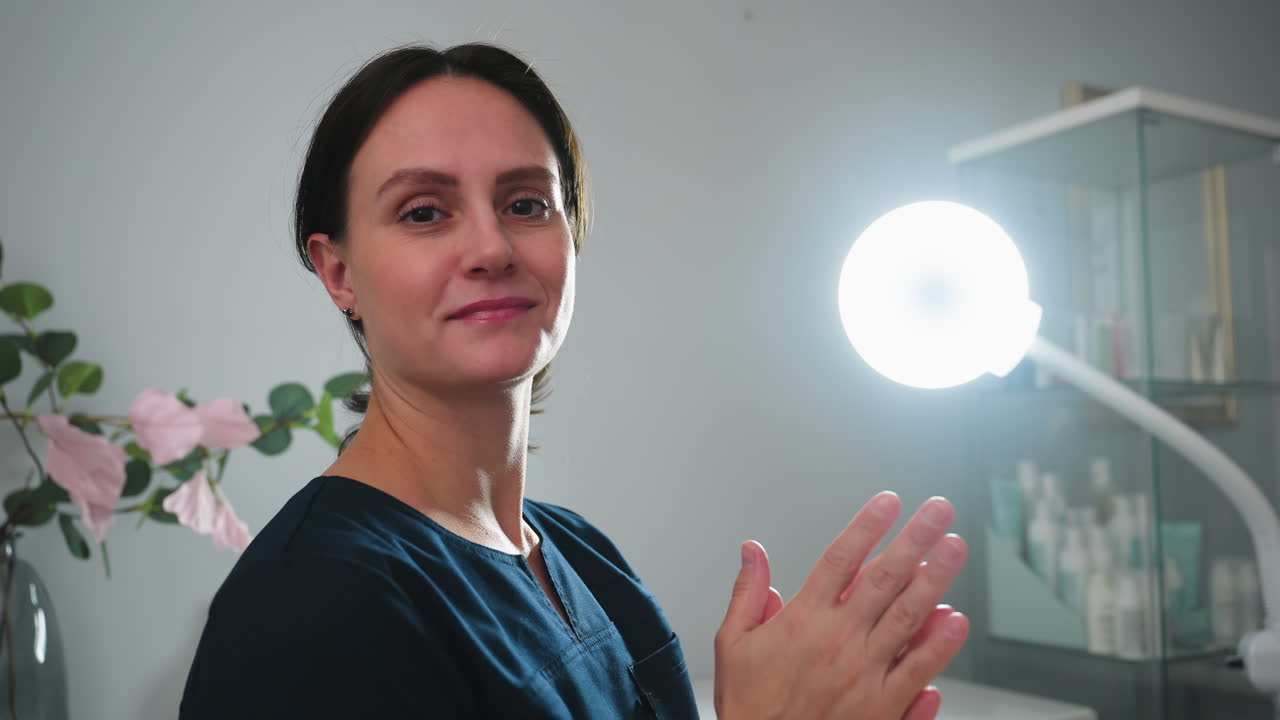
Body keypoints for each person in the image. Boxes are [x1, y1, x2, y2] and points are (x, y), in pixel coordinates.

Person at [178, 42, 970, 719]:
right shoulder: (310, 602)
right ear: (339, 271)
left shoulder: (585, 559)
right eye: (424, 212)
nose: (491, 247)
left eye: (526, 203)